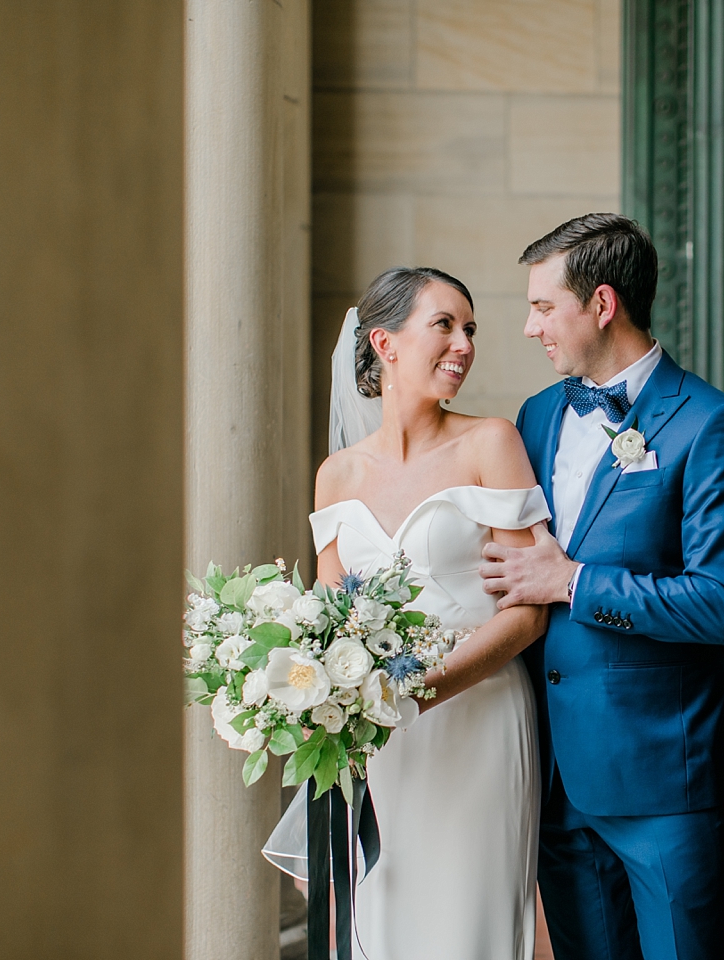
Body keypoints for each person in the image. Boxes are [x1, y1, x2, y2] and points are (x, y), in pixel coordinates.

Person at [480, 213, 724, 960]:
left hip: (663, 772)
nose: (528, 326)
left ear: (601, 304)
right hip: (553, 771)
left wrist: (573, 582)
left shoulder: (710, 424)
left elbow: (722, 604)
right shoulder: (536, 417)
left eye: (543, 306)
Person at [262, 266, 550, 960]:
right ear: (384, 344)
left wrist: (418, 692)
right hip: (380, 744)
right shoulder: (337, 475)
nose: (464, 344)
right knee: (385, 920)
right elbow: (330, 625)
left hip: (477, 721)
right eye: (444, 324)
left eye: (470, 328)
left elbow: (528, 613)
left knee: (469, 920)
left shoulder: (491, 443)